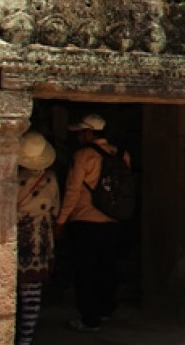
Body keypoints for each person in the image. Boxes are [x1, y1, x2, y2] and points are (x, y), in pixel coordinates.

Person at [55, 114, 129, 333]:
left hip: (85, 220)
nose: (78, 136)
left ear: (88, 133)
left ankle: (90, 318)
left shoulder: (83, 155)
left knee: (85, 270)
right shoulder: (122, 154)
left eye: (80, 132)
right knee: (107, 267)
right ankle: (106, 310)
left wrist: (61, 220)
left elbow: (72, 191)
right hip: (112, 220)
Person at [16, 131, 61, 345]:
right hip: (40, 239)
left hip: (16, 239)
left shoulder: (14, 180)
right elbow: (55, 208)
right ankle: (26, 339)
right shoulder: (50, 178)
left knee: (9, 291)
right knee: (32, 293)